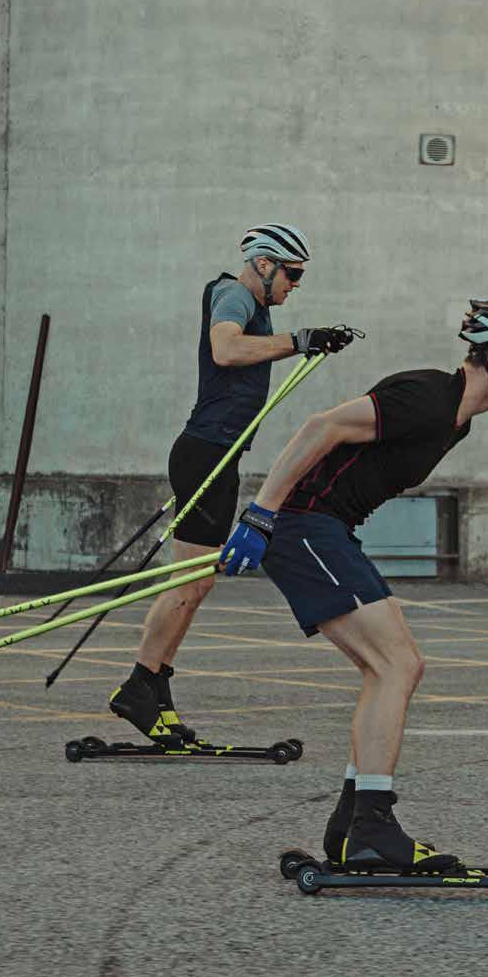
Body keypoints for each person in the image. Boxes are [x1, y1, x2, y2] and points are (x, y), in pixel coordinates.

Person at [221, 299, 488, 871]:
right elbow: (321, 426)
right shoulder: (428, 397)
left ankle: (351, 826)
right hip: (303, 524)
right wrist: (261, 515)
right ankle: (372, 826)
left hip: (327, 529)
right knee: (396, 665)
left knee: (394, 668)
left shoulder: (457, 421)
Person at [109, 223, 357, 743]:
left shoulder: (254, 306)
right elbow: (225, 349)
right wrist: (299, 341)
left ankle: (152, 689)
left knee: (196, 583)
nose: (295, 285)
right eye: (292, 274)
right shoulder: (233, 294)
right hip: (204, 453)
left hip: (217, 456)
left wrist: (307, 342)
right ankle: (140, 686)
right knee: (189, 582)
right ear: (264, 264)